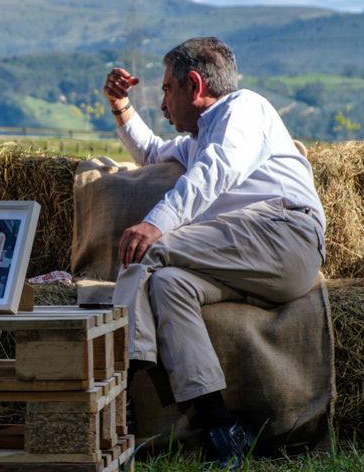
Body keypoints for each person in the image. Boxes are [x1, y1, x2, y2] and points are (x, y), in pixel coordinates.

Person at [101, 37, 325, 468]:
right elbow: (151, 152)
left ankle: (118, 393)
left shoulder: (243, 109)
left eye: (167, 89)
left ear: (194, 84)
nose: (163, 104)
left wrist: (154, 225)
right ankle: (221, 429)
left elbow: (216, 170)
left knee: (146, 254)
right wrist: (119, 105)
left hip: (284, 234)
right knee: (169, 285)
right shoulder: (197, 140)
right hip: (249, 260)